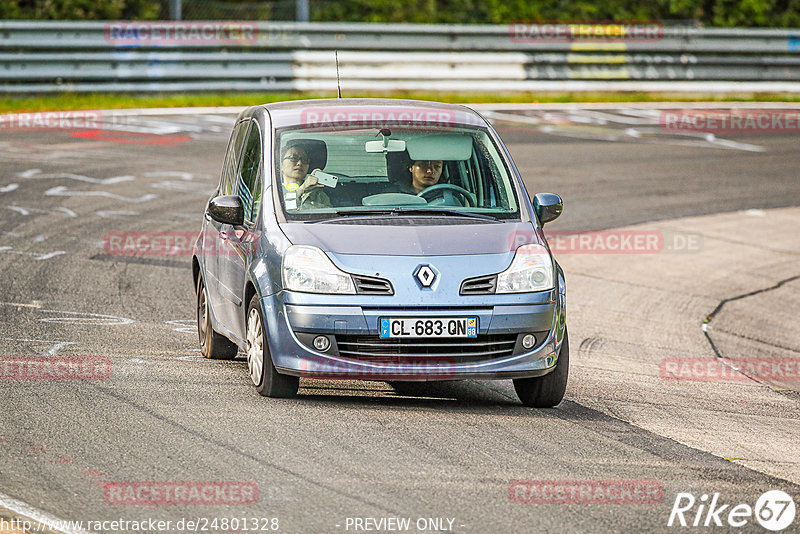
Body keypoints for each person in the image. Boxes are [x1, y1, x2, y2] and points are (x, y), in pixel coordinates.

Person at [281, 143, 331, 210]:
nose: (299, 163)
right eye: (294, 158)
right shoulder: (274, 191)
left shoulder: (318, 195)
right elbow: (279, 210)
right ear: (281, 165)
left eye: (304, 160)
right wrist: (302, 189)